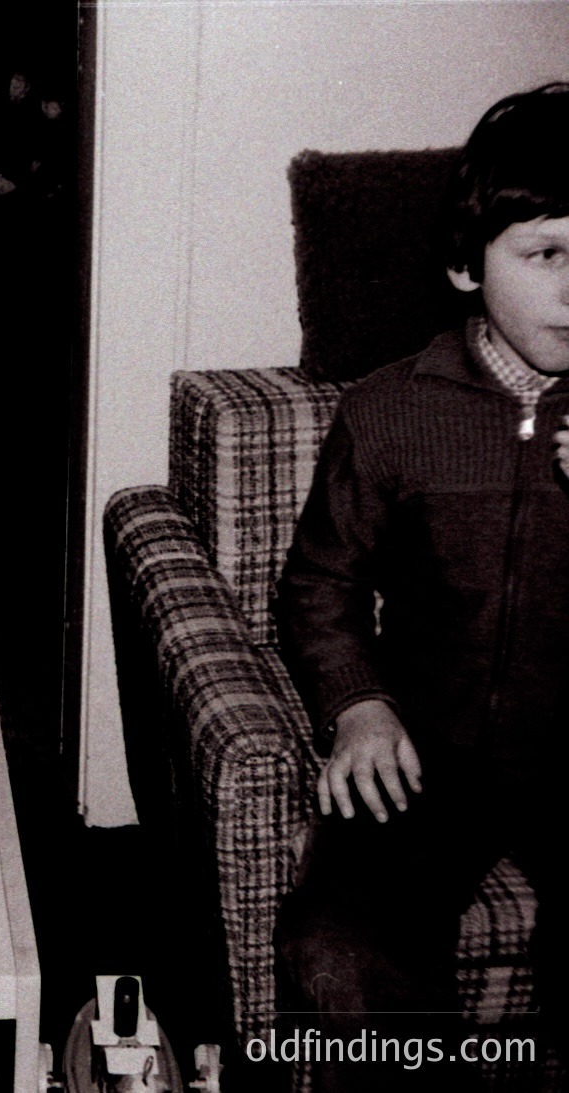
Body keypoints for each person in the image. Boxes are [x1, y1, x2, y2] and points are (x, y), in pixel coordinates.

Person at [274, 82, 569, 1091]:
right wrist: (357, 703)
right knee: (339, 952)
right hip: (430, 746)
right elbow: (319, 583)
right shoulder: (393, 409)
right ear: (463, 264)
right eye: (547, 255)